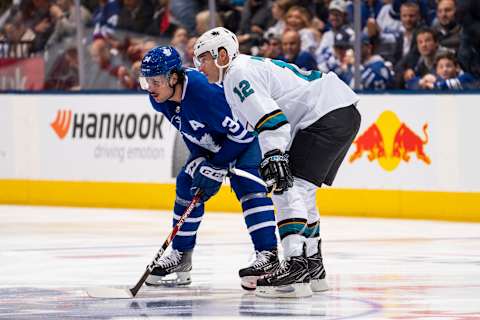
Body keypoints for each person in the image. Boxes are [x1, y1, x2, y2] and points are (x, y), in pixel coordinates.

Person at [194, 27, 361, 298]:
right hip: (338, 111)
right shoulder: (240, 71)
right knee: (303, 192)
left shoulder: (237, 73)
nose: (199, 66)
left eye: (202, 58)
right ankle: (312, 267)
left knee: (285, 187)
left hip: (324, 114)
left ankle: (295, 268)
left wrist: (273, 156)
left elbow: (273, 122)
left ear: (222, 55)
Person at [139, 46, 279, 291]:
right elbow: (190, 131)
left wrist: (216, 165)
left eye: (156, 81)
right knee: (187, 181)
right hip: (215, 142)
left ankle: (267, 256)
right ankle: (181, 256)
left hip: (246, 139)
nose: (150, 88)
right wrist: (202, 162)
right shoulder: (159, 99)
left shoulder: (204, 93)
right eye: (146, 81)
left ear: (174, 77)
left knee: (246, 181)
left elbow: (244, 132)